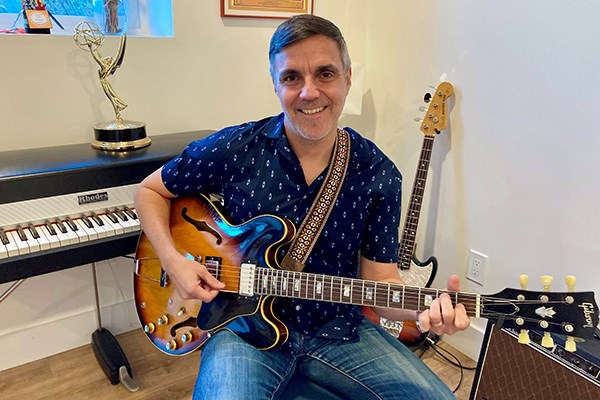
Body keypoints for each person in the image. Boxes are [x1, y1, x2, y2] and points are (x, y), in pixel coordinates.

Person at [134, 14, 470, 399]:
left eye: (325, 74)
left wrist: (427, 311)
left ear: (347, 78)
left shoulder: (378, 174)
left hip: (337, 329)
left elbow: (380, 282)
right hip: (242, 331)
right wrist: (174, 261)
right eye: (292, 77)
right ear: (276, 85)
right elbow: (149, 192)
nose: (309, 92)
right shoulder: (237, 147)